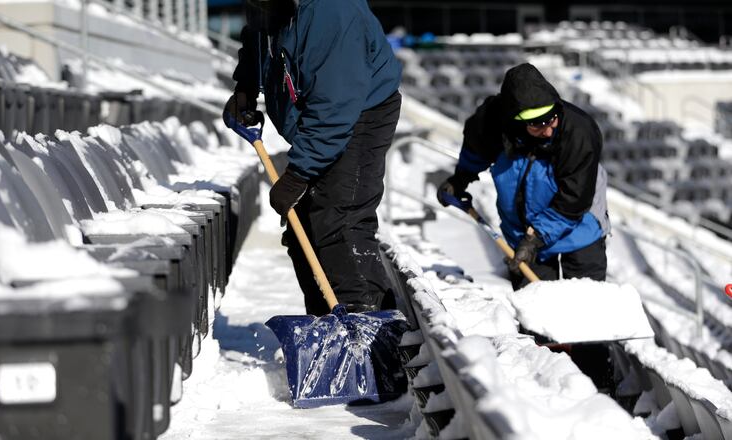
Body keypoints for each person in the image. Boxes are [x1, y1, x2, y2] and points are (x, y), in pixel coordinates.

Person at [224, 0, 402, 315]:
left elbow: (334, 108)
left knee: (340, 218)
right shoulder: (272, 9)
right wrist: (247, 85)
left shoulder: (332, 14)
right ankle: (327, 321)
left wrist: (299, 174)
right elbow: (260, 35)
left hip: (359, 111)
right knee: (301, 227)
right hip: (320, 113)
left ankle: (369, 325)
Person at [437, 63, 610, 290]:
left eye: (551, 119)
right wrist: (460, 180)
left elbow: (574, 198)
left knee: (585, 309)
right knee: (536, 316)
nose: (548, 130)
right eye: (537, 125)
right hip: (521, 232)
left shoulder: (579, 132)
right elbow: (476, 151)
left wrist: (535, 238)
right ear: (515, 121)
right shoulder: (491, 121)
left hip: (578, 227)